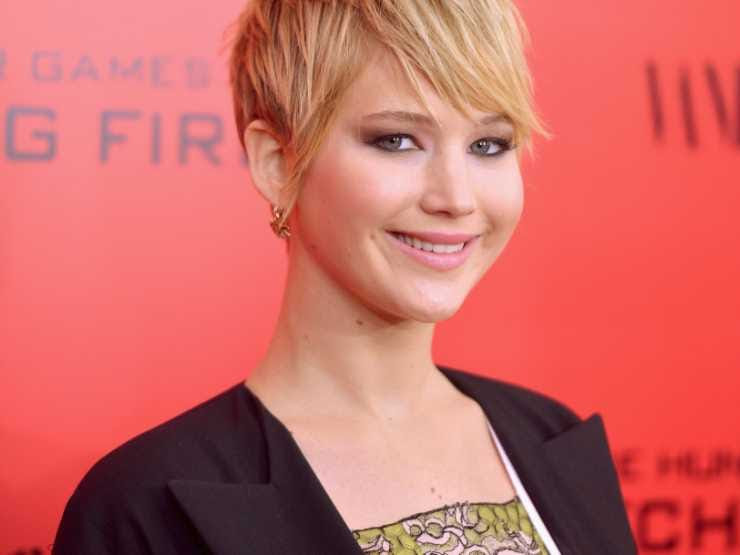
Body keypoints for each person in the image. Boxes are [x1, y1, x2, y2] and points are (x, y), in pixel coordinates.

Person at [53, 1, 636, 553]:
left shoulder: (553, 437)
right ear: (278, 164)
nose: (457, 197)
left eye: (488, 144)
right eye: (397, 141)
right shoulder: (145, 509)